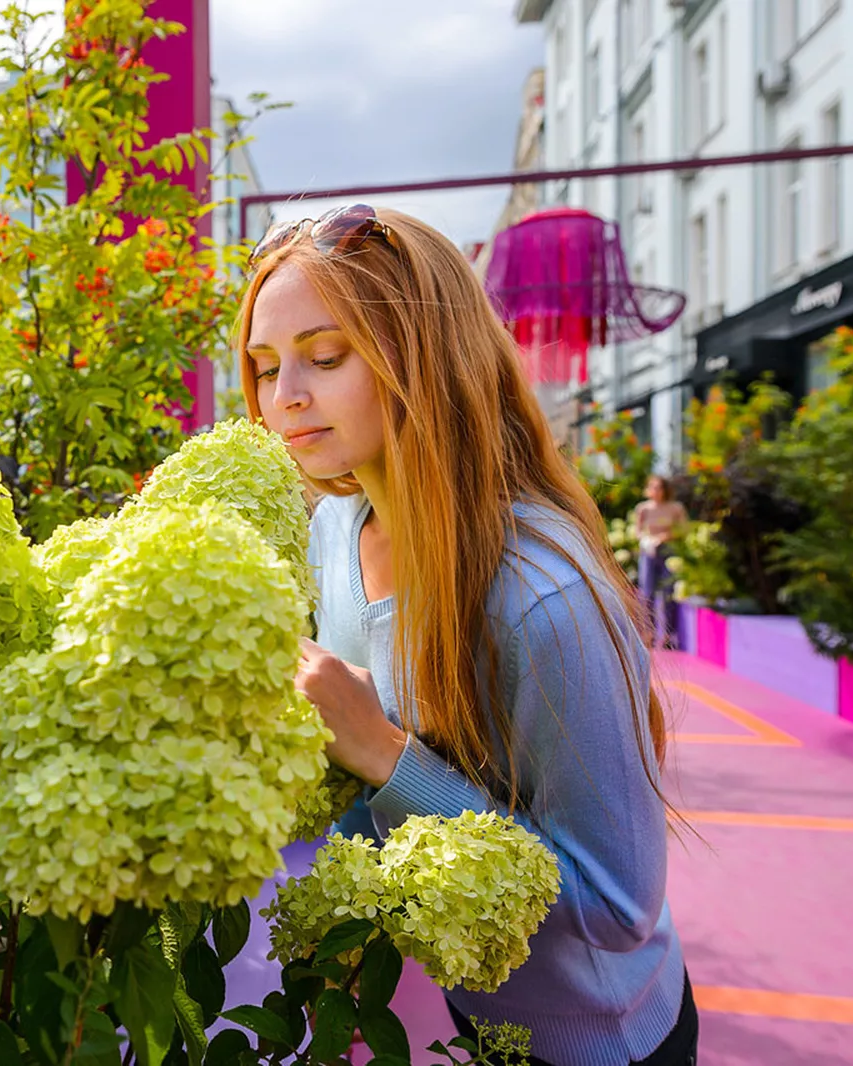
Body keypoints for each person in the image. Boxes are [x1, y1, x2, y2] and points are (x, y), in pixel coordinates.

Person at [239, 205, 696, 1066]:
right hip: (457, 1017)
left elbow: (619, 905)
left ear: (422, 356)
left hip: (596, 1040)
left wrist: (385, 753)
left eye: (326, 357)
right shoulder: (332, 534)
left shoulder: (541, 599)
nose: (284, 397)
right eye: (265, 368)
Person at [632, 477, 689, 649]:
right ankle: (647, 633)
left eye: (659, 488)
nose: (655, 491)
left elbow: (683, 529)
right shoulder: (643, 508)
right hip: (648, 553)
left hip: (667, 552)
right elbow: (638, 531)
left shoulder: (675, 508)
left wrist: (663, 537)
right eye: (652, 487)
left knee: (667, 593)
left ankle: (666, 635)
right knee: (646, 592)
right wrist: (647, 539)